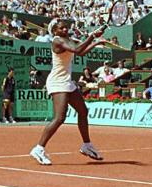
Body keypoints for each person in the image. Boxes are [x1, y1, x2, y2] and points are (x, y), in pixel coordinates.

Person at [30, 19, 108, 166]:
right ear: (54, 31)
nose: (65, 30)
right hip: (57, 82)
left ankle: (87, 145)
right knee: (60, 118)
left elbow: (82, 52)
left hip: (67, 82)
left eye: (66, 28)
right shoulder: (57, 41)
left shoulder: (68, 40)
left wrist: (96, 42)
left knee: (83, 111)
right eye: (61, 28)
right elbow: (78, 50)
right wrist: (92, 36)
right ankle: (39, 149)